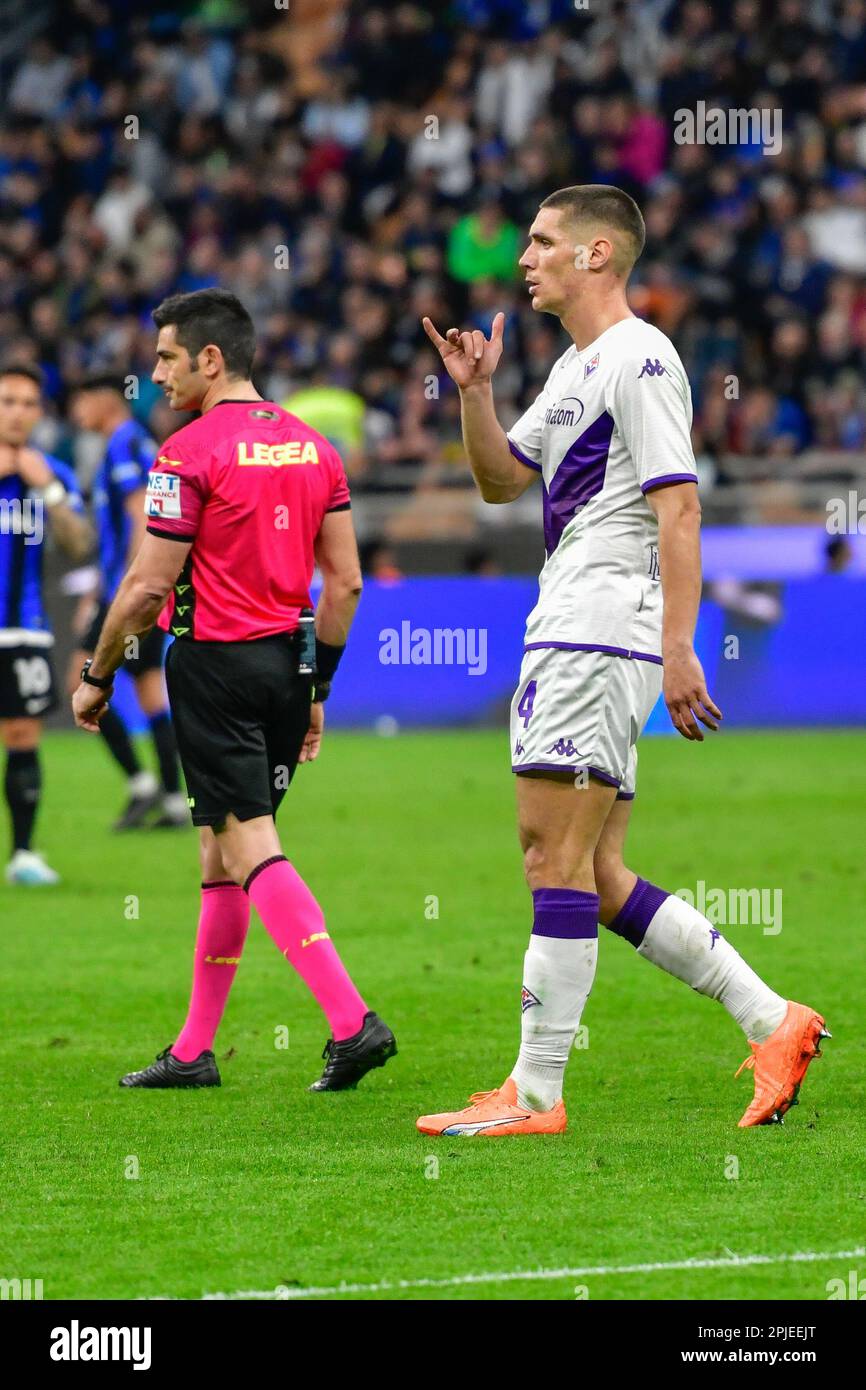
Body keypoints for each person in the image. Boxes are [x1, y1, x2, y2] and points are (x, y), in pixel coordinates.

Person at [417, 185, 828, 1137]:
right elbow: (497, 482)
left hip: (598, 626)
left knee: (547, 856)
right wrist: (475, 394)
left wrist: (680, 644)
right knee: (597, 873)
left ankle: (535, 1094)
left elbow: (677, 506)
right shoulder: (574, 367)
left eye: (542, 240)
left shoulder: (640, 359)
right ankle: (773, 1021)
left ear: (597, 255)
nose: (523, 257)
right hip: (581, 623)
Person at [71, 289, 396, 1092]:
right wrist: (316, 684)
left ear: (210, 360)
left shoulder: (186, 452)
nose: (154, 375)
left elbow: (149, 587)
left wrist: (98, 671)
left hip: (214, 664)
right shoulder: (316, 448)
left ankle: (352, 1022)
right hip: (288, 662)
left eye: (166, 358)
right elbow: (346, 583)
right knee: (219, 854)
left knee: (248, 842)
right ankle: (193, 1052)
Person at [69, 374, 186, 830]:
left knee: (77, 677)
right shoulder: (135, 442)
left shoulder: (123, 444)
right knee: (151, 689)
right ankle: (175, 801)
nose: (77, 415)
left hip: (131, 588)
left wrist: (130, 588)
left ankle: (141, 784)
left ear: (103, 401)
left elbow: (141, 515)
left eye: (81, 403)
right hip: (130, 586)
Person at [0, 364, 92, 885]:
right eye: (7, 401)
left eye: (27, 403)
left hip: (23, 629)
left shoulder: (49, 470)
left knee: (21, 733)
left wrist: (50, 492)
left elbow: (79, 544)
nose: (17, 412)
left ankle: (23, 854)